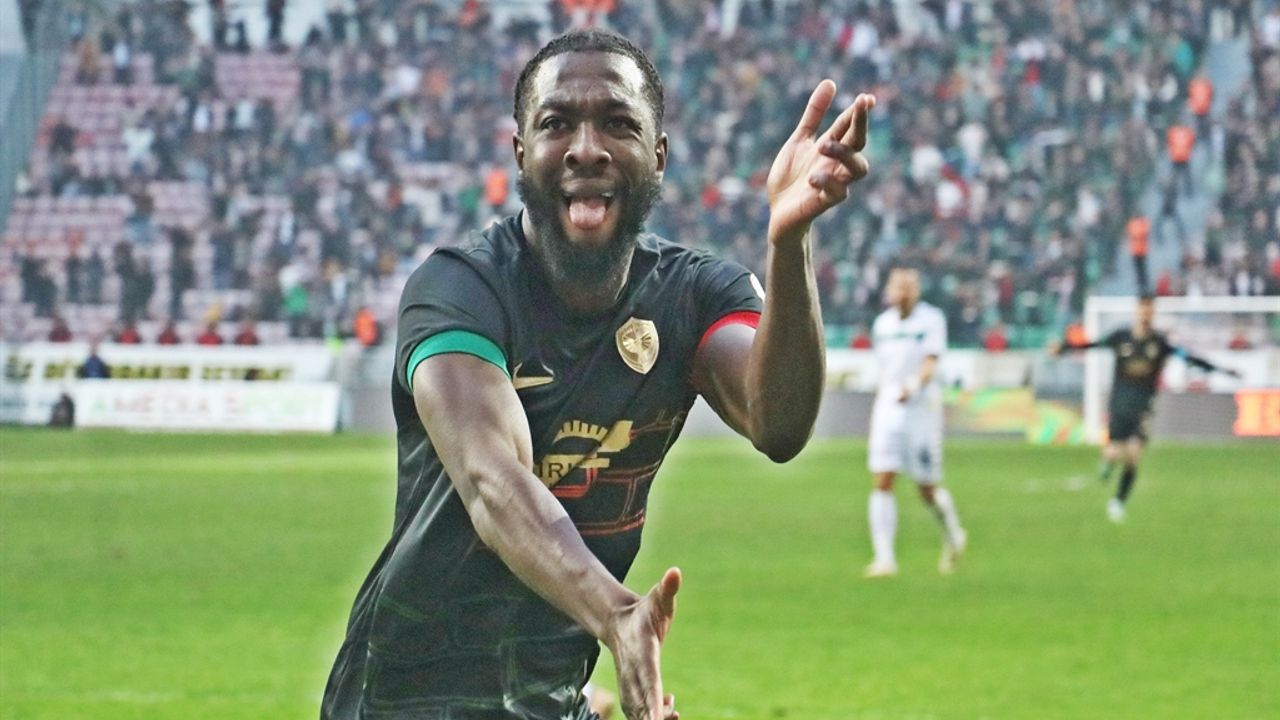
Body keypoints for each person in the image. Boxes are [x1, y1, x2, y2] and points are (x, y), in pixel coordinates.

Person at [322, 29, 876, 720]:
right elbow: (493, 483)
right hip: (407, 699)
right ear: (521, 152)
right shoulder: (459, 290)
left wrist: (788, 243)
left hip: (551, 697)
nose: (587, 148)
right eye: (557, 124)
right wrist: (617, 615)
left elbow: (779, 422)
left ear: (658, 155)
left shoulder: (695, 295)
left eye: (618, 123)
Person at [1049, 294, 1241, 522]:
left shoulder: (1159, 343)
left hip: (1143, 408)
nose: (1145, 314)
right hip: (1119, 406)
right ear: (1137, 311)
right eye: (1143, 309)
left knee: (1133, 455)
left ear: (1153, 313)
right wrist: (1063, 348)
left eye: (1149, 310)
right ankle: (1108, 463)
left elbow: (1189, 358)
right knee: (1113, 452)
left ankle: (1118, 502)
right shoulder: (1120, 337)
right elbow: (1092, 345)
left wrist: (1223, 370)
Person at [863, 267, 967, 578]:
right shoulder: (882, 324)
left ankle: (953, 534)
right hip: (888, 408)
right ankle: (884, 558)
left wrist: (913, 385)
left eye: (908, 288)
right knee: (882, 479)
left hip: (921, 410)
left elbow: (930, 363)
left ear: (916, 291)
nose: (903, 294)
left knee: (926, 488)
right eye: (898, 288)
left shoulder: (931, 320)